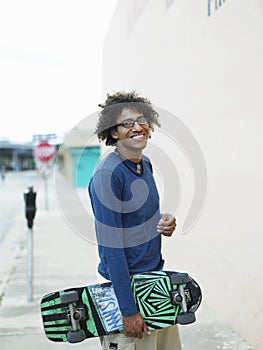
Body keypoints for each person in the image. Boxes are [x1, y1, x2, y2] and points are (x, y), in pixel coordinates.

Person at [88, 91, 182, 350]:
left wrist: (165, 223)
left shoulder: (145, 164)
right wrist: (128, 310)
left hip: (155, 285)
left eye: (141, 120)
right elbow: (111, 249)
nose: (137, 127)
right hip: (124, 292)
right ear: (114, 132)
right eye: (127, 123)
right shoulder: (108, 175)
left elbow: (140, 221)